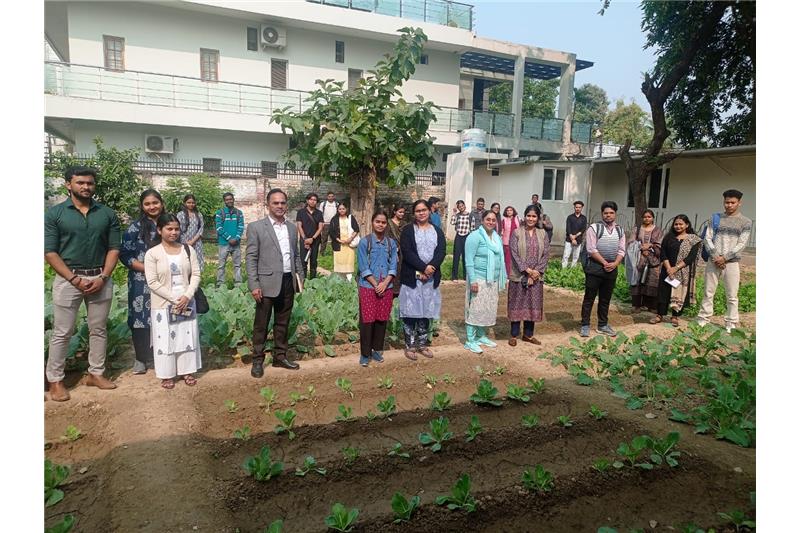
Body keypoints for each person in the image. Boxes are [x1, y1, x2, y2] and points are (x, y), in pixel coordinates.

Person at [45, 166, 121, 401]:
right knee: (62, 331)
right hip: (69, 280)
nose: (86, 187)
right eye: (80, 183)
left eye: (90, 183)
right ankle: (55, 381)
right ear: (69, 184)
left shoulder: (107, 214)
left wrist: (104, 277)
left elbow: (114, 248)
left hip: (100, 278)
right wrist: (74, 278)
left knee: (98, 329)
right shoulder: (55, 214)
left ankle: (95, 374)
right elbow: (49, 252)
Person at [245, 188, 304, 377]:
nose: (279, 206)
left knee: (282, 322)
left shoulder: (292, 228)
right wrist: (254, 285)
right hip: (266, 283)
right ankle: (257, 360)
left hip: (287, 281)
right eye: (275, 203)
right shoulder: (256, 227)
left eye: (283, 203)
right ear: (268, 205)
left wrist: (299, 278)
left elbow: (295, 255)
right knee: (261, 324)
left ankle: (280, 356)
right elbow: (251, 258)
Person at [144, 214, 203, 389]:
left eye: (176, 229)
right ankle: (167, 374)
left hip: (187, 302)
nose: (174, 232)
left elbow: (196, 274)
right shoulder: (152, 253)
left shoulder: (187, 250)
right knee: (165, 339)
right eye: (169, 229)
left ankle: (187, 371)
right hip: (163, 304)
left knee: (187, 335)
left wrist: (187, 295)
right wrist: (174, 299)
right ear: (159, 230)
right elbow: (152, 282)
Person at [120, 189, 166, 375]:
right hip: (141, 280)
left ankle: (162, 354)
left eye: (155, 202)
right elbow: (125, 255)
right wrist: (148, 269)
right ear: (142, 206)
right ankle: (141, 358)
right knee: (140, 318)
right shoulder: (134, 228)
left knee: (164, 315)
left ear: (161, 203)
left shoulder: (170, 224)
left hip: (166, 279)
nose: (152, 206)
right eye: (147, 204)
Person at [697, 189, 753, 332]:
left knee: (732, 294)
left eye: (732, 202)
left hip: (732, 263)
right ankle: (703, 318)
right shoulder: (715, 218)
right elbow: (707, 238)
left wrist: (725, 258)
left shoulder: (745, 222)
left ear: (739, 203)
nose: (729, 205)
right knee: (708, 291)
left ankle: (731, 322)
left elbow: (742, 243)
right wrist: (716, 256)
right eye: (726, 202)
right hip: (713, 260)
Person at [399, 199, 446, 360]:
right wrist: (423, 268)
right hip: (413, 277)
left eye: (424, 210)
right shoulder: (407, 231)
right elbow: (407, 252)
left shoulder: (437, 231)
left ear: (429, 211)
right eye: (418, 211)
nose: (421, 213)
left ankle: (423, 344)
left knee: (426, 312)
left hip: (431, 279)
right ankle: (410, 346)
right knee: (411, 313)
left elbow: (441, 251)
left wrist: (431, 267)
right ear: (414, 213)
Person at [356, 211, 397, 367]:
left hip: (386, 286)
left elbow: (393, 265)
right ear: (372, 223)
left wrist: (385, 283)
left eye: (383, 222)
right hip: (368, 286)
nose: (380, 225)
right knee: (367, 320)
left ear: (386, 224)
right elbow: (363, 266)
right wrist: (375, 284)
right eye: (377, 222)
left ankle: (376, 350)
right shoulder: (365, 242)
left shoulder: (391, 243)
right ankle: (365, 354)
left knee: (381, 319)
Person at [463, 210, 507, 354]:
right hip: (479, 279)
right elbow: (468, 260)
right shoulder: (474, 236)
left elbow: (500, 258)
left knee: (487, 308)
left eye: (494, 220)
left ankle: (481, 336)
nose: (491, 222)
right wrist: (473, 280)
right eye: (488, 219)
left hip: (492, 280)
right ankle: (470, 340)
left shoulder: (496, 238)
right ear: (482, 220)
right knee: (475, 309)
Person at [580, 201, 626, 337]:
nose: (608, 215)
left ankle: (603, 325)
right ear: (602, 214)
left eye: (611, 213)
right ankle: (585, 325)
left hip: (612, 269)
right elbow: (591, 249)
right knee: (589, 297)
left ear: (615, 214)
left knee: (605, 299)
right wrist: (605, 262)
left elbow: (622, 250)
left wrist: (616, 263)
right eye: (606, 213)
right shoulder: (594, 228)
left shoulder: (620, 230)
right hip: (595, 268)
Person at [507, 205, 550, 346]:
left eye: (534, 216)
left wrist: (536, 272)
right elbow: (514, 253)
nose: (531, 219)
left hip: (536, 277)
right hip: (519, 275)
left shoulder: (543, 233)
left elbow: (546, 254)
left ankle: (528, 335)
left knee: (532, 304)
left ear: (537, 218)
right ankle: (514, 335)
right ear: (524, 217)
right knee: (517, 303)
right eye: (528, 216)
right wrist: (527, 270)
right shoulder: (516, 233)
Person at [651, 215, 702, 327]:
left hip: (682, 272)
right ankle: (659, 315)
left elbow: (691, 258)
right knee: (663, 292)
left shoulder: (693, 240)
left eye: (680, 224)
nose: (678, 226)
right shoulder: (668, 237)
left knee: (678, 293)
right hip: (667, 270)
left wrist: (676, 268)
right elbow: (663, 253)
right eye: (676, 224)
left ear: (687, 225)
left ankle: (675, 316)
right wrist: (669, 268)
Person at [628, 209, 663, 313]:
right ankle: (637, 305)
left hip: (653, 260)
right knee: (637, 281)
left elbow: (660, 244)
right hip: (639, 258)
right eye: (645, 217)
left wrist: (651, 247)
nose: (647, 219)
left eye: (649, 217)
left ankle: (651, 306)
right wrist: (641, 247)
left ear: (652, 218)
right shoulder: (637, 229)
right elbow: (631, 242)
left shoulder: (658, 230)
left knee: (652, 281)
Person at [214, 192, 244, 287]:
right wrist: (229, 238)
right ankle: (220, 284)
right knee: (221, 265)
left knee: (237, 265)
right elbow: (219, 228)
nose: (229, 201)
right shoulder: (220, 213)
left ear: (233, 199)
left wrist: (237, 238)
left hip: (236, 243)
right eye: (227, 200)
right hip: (224, 243)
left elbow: (241, 226)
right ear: (224, 201)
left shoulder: (239, 213)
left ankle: (238, 284)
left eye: (230, 199)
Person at [295, 192, 324, 279]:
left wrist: (312, 238)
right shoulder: (301, 212)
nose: (313, 201)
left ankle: (313, 281)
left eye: (315, 200)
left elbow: (320, 227)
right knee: (303, 261)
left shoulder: (319, 213)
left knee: (314, 261)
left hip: (315, 240)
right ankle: (302, 281)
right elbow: (299, 226)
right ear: (307, 200)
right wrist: (305, 239)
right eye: (311, 199)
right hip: (304, 241)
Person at [329, 203, 360, 281]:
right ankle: (341, 281)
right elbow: (331, 231)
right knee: (339, 264)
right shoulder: (334, 219)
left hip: (349, 244)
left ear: (346, 209)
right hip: (338, 245)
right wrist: (339, 240)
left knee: (348, 263)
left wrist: (350, 238)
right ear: (337, 210)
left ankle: (350, 281)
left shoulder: (350, 218)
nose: (341, 210)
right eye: (340, 209)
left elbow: (356, 229)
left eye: (343, 209)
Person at [177, 194, 204, 270]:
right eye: (188, 202)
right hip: (184, 242)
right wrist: (186, 242)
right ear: (184, 203)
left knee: (196, 263)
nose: (191, 204)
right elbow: (178, 229)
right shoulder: (180, 215)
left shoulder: (199, 215)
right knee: (185, 262)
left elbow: (201, 229)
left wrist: (193, 241)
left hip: (197, 243)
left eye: (193, 203)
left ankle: (196, 281)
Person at [449, 200, 473, 280]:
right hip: (458, 237)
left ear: (465, 206)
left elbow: (472, 228)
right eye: (459, 206)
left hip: (467, 237)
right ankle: (454, 276)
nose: (461, 207)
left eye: (462, 206)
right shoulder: (457, 215)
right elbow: (452, 222)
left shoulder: (470, 215)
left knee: (465, 257)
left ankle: (465, 276)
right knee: (456, 257)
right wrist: (454, 212)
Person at [387, 204, 406, 296]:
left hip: (403, 252)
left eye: (403, 212)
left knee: (402, 270)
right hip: (392, 250)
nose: (402, 214)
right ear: (394, 212)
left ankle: (400, 291)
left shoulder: (404, 224)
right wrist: (394, 248)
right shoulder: (389, 223)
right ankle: (392, 291)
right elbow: (387, 237)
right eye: (400, 212)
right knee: (394, 270)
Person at [562, 200, 587, 268]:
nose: (578, 208)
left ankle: (573, 269)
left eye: (579, 207)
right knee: (566, 255)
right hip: (569, 239)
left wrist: (575, 236)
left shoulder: (584, 218)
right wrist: (571, 237)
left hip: (578, 239)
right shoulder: (570, 217)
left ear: (582, 208)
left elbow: (583, 229)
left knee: (576, 256)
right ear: (574, 207)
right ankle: (563, 269)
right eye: (576, 207)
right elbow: (568, 228)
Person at [499, 205, 520, 276]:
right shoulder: (504, 220)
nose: (509, 212)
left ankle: (515, 273)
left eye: (511, 210)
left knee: (515, 259)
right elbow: (502, 231)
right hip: (506, 243)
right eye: (507, 210)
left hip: (516, 242)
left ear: (513, 211)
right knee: (507, 260)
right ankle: (506, 274)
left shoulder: (517, 219)